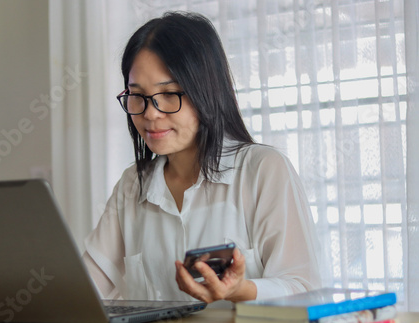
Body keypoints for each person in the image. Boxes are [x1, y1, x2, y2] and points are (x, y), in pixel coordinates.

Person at [83, 11, 322, 304]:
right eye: (138, 96)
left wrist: (240, 290)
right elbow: (84, 290)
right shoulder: (132, 184)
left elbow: (305, 288)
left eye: (169, 93)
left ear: (206, 91)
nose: (150, 113)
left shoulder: (263, 170)